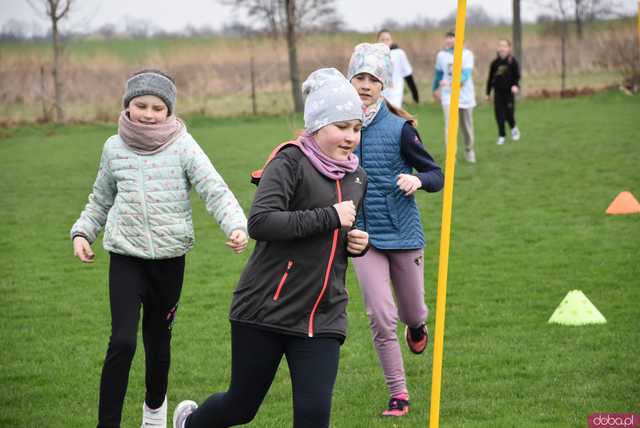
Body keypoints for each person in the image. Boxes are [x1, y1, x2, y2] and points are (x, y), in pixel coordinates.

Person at [173, 68, 370, 428]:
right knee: (241, 407)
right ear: (316, 125)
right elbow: (261, 222)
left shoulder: (357, 176)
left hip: (323, 315)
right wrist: (330, 217)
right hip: (266, 309)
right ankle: (191, 423)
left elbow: (344, 229)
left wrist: (357, 242)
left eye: (356, 128)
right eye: (341, 127)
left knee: (313, 418)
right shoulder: (289, 161)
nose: (351, 137)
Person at [70, 69, 249, 428]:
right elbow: (100, 198)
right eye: (141, 105)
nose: (148, 114)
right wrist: (82, 232)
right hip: (125, 256)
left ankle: (154, 416)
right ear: (127, 106)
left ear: (169, 111)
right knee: (122, 341)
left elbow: (214, 188)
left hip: (169, 260)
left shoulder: (183, 145)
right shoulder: (113, 147)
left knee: (157, 343)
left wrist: (235, 225)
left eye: (157, 107)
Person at [347, 43, 444, 417]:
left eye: (373, 79)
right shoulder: (339, 127)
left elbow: (436, 174)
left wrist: (416, 181)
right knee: (380, 315)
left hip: (403, 234)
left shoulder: (401, 129)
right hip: (362, 238)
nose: (366, 85)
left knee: (412, 312)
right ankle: (398, 394)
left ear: (383, 85)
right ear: (350, 80)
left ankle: (417, 327)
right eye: (360, 77)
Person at [433, 30, 477, 163]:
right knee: (450, 126)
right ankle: (451, 155)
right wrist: (435, 89)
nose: (449, 40)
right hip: (448, 95)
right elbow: (439, 74)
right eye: (448, 38)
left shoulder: (467, 54)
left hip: (465, 96)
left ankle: (469, 149)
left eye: (453, 38)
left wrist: (452, 82)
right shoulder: (441, 55)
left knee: (467, 127)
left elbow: (466, 75)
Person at [486, 39, 521, 145]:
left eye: (504, 46)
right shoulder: (494, 63)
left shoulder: (512, 61)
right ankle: (502, 135)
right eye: (500, 46)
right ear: (498, 48)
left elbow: (517, 76)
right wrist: (487, 93)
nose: (502, 48)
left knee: (509, 114)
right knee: (499, 114)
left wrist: (515, 85)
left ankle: (514, 128)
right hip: (498, 92)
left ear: (509, 48)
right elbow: (490, 78)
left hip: (509, 93)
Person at [376, 29, 420, 108]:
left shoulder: (399, 54)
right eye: (382, 39)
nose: (385, 42)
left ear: (391, 41)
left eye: (387, 39)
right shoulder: (373, 55)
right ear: (377, 41)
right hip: (380, 95)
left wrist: (415, 94)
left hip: (395, 94)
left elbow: (408, 75)